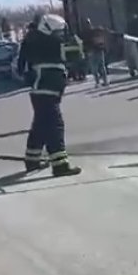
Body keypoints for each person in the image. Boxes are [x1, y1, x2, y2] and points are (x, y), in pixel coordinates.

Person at [17, 14, 81, 177]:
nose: (60, 35)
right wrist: (79, 41)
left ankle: (32, 159)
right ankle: (60, 164)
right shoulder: (51, 42)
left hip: (40, 90)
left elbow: (21, 63)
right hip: (47, 89)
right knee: (55, 126)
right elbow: (75, 55)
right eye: (59, 32)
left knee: (40, 124)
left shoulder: (33, 41)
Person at [81, 18, 109, 88]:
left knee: (96, 68)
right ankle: (103, 81)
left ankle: (100, 82)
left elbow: (84, 43)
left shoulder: (88, 32)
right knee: (99, 67)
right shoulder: (94, 31)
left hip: (94, 51)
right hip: (96, 50)